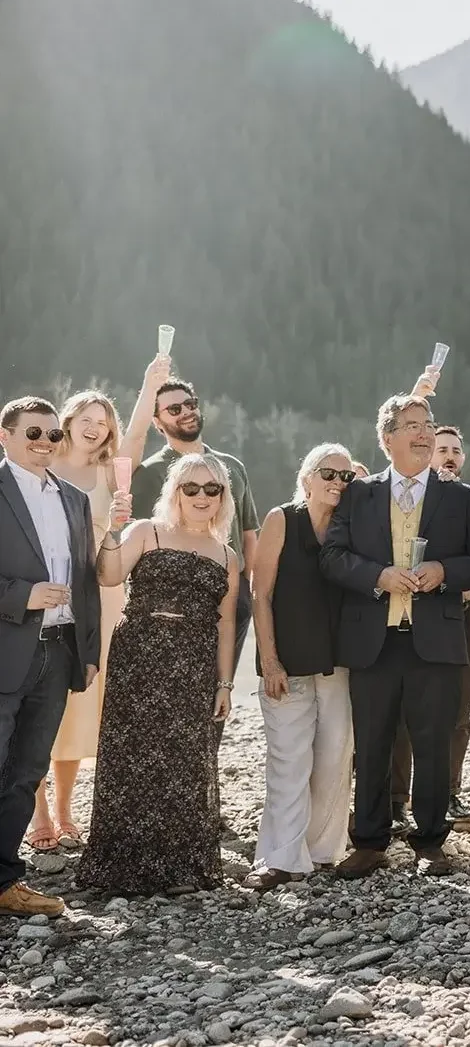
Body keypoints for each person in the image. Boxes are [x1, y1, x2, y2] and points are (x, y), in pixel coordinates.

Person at [320, 395, 470, 879]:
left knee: (433, 742)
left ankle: (430, 841)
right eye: (412, 426)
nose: (424, 434)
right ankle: (370, 841)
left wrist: (445, 570)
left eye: (428, 425)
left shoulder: (457, 496)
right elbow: (333, 557)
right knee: (373, 743)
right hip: (372, 642)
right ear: (387, 438)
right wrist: (377, 576)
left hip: (435, 640)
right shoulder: (359, 494)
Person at [79, 452, 238, 894]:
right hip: (139, 657)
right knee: (129, 757)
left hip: (193, 664)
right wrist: (112, 530)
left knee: (185, 763)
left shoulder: (226, 555)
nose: (201, 496)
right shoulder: (145, 531)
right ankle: (122, 870)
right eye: (191, 488)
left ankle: (180, 870)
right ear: (176, 492)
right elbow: (108, 577)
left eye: (212, 489)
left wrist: (225, 683)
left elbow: (226, 624)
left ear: (223, 496)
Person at [27, 361, 164, 852]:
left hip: (98, 595)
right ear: (67, 419)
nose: (95, 425)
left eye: (103, 419)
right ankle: (36, 812)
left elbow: (142, 429)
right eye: (86, 415)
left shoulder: (112, 470)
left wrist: (149, 383)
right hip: (42, 589)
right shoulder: (40, 460)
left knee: (79, 703)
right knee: (36, 696)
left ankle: (65, 809)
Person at [0, 398, 101, 917]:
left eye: (52, 434)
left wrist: (88, 650)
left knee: (26, 770)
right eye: (33, 432)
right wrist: (22, 596)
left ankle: (5, 884)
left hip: (59, 654)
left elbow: (85, 582)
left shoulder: (76, 500)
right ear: (6, 436)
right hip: (5, 649)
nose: (44, 442)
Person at [244, 444, 356, 891]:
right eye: (328, 473)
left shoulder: (352, 528)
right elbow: (260, 594)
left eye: (346, 477)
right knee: (289, 760)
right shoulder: (281, 519)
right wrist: (269, 660)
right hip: (286, 661)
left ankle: (323, 852)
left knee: (333, 760)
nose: (337, 483)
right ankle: (279, 858)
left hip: (340, 663)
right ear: (307, 477)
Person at [390, 424, 470, 834]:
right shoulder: (407, 498)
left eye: (455, 450)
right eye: (441, 448)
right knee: (402, 714)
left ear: (463, 459)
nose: (448, 455)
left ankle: (448, 793)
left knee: (458, 713)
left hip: (460, 615)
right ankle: (396, 799)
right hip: (408, 614)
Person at [131, 378, 259, 680]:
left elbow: (249, 533)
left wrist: (244, 588)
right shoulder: (150, 474)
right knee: (176, 692)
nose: (186, 412)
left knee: (220, 686)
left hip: (233, 593)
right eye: (174, 409)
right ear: (157, 422)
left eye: (190, 404)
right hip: (173, 601)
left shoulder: (232, 467)